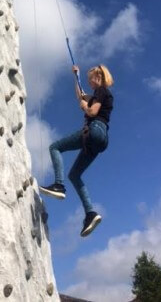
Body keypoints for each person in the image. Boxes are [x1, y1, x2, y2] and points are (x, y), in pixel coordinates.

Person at [39, 64, 114, 237]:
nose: (90, 82)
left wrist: (84, 107)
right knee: (75, 175)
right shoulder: (99, 95)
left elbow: (92, 111)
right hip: (101, 140)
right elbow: (81, 95)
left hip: (94, 130)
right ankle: (90, 214)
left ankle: (58, 185)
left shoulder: (102, 91)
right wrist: (76, 76)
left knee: (55, 147)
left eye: (91, 79)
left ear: (99, 77)